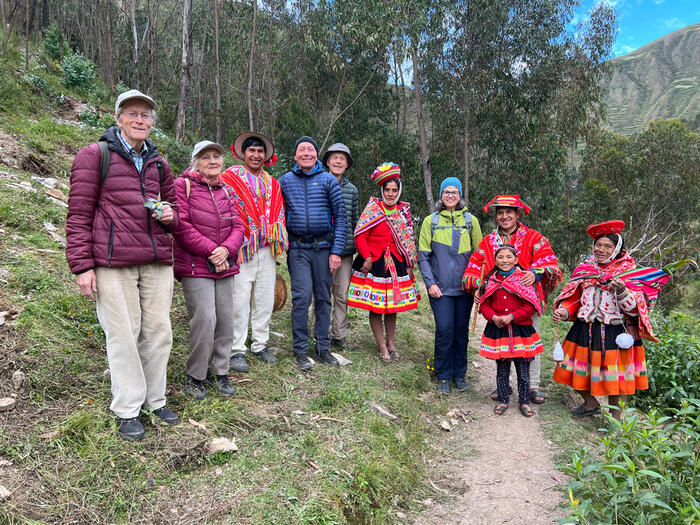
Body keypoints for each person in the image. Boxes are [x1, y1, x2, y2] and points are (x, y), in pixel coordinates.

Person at [66, 89, 180, 441]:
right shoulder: (94, 156)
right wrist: (82, 266)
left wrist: (170, 215)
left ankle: (154, 399)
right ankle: (128, 408)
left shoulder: (159, 163)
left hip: (157, 261)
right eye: (132, 113)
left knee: (159, 332)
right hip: (113, 262)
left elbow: (175, 209)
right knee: (123, 335)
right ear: (118, 119)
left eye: (146, 116)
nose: (140, 120)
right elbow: (78, 214)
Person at [552, 220, 664, 420]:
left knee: (617, 380)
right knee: (568, 368)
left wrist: (621, 290)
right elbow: (574, 299)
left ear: (617, 249)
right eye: (598, 245)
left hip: (617, 331)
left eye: (607, 246)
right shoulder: (585, 269)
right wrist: (565, 311)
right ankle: (590, 403)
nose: (600, 250)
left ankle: (616, 420)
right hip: (584, 329)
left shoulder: (630, 273)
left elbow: (635, 309)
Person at [462, 194, 561, 404]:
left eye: (509, 212)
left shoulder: (534, 238)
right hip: (498, 306)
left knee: (529, 347)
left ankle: (532, 387)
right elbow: (473, 268)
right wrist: (478, 286)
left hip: (525, 305)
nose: (504, 216)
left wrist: (536, 273)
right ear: (496, 216)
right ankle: (503, 386)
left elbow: (551, 264)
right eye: (500, 213)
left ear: (517, 214)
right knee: (501, 347)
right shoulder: (488, 243)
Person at [173, 141, 244, 399]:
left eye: (216, 156)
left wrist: (226, 250)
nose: (213, 161)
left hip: (225, 263)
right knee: (205, 319)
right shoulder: (183, 186)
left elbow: (239, 225)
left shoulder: (227, 189)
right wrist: (214, 252)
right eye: (206, 157)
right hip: (195, 265)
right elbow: (181, 226)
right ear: (196, 162)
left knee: (225, 319)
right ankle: (196, 375)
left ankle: (221, 372)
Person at [220, 132, 287, 372]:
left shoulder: (273, 183)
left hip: (267, 248)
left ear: (265, 156)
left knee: (265, 298)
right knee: (239, 300)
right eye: (252, 151)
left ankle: (260, 344)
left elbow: (279, 212)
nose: (256, 155)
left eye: (260, 151)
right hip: (241, 247)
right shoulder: (230, 177)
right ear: (243, 153)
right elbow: (225, 208)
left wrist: (271, 234)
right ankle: (237, 349)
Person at [279, 136, 347, 371]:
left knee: (323, 298)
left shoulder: (328, 181)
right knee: (301, 298)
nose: (306, 153)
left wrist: (337, 251)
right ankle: (300, 349)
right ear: (295, 155)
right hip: (298, 249)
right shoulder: (285, 181)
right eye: (301, 150)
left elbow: (340, 218)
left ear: (317, 155)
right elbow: (277, 214)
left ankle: (323, 348)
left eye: (310, 149)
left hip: (323, 248)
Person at [347, 163, 420, 362]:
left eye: (394, 190)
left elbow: (408, 239)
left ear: (399, 191)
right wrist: (367, 256)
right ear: (381, 190)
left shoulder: (403, 212)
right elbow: (360, 234)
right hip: (375, 262)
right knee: (376, 306)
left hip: (395, 264)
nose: (390, 194)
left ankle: (391, 343)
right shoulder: (373, 209)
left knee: (392, 307)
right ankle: (381, 345)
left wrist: (409, 263)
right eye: (387, 190)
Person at [418, 177, 482, 394]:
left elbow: (480, 256)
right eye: (447, 192)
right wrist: (430, 284)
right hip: (440, 289)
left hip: (465, 289)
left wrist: (476, 284)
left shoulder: (471, 221)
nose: (451, 195)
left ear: (460, 195)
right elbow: (423, 256)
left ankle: (459, 375)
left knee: (460, 331)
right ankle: (443, 376)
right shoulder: (431, 221)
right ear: (441, 195)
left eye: (455, 192)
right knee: (445, 329)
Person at [479, 245, 544, 417]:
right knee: (502, 370)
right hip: (499, 331)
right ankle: (503, 400)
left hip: (520, 331)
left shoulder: (523, 279)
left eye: (509, 257)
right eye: (501, 257)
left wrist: (512, 317)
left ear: (516, 260)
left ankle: (524, 402)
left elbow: (530, 306)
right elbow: (484, 304)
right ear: (495, 260)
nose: (505, 260)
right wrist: (493, 317)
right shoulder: (491, 281)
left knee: (523, 371)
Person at [322, 143, 359, 349]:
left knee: (341, 294)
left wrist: (354, 247)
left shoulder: (352, 190)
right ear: (327, 161)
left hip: (344, 251)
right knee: (321, 292)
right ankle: (319, 332)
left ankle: (339, 335)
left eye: (342, 159)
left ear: (347, 164)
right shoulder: (318, 183)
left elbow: (353, 222)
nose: (338, 162)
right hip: (322, 249)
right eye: (334, 158)